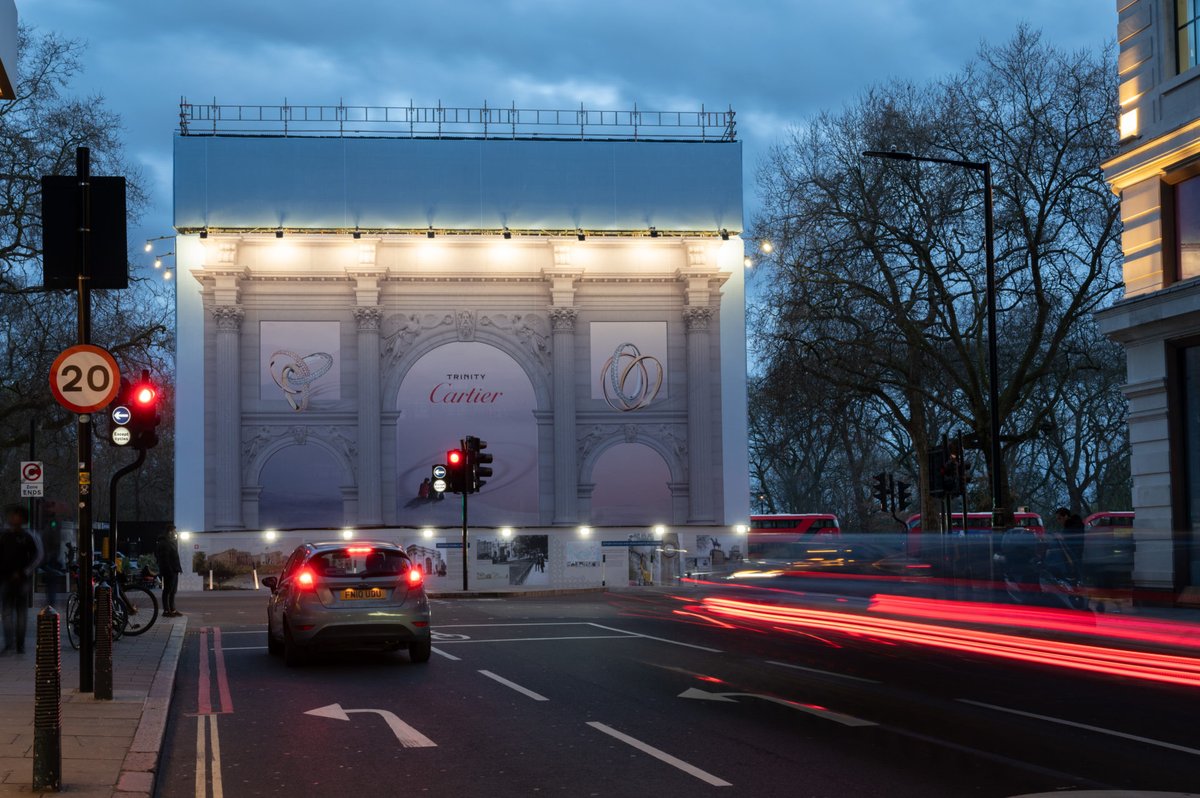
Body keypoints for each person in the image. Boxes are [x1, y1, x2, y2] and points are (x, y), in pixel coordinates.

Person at [1, 505, 41, 654]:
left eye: (16, 516)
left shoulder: (28, 536)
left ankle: (20, 644)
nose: (13, 518)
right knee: (6, 612)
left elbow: (37, 556)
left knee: (20, 613)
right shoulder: (4, 535)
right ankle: (9, 642)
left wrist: (25, 572)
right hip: (6, 578)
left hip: (22, 580)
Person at [155, 527, 184, 618]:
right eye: (174, 531)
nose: (175, 533)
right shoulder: (164, 543)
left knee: (172, 591)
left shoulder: (170, 542)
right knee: (167, 591)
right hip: (169, 572)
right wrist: (170, 570)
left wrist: (178, 569)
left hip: (174, 570)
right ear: (169, 532)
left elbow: (174, 557)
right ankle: (166, 611)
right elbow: (164, 559)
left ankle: (172, 609)